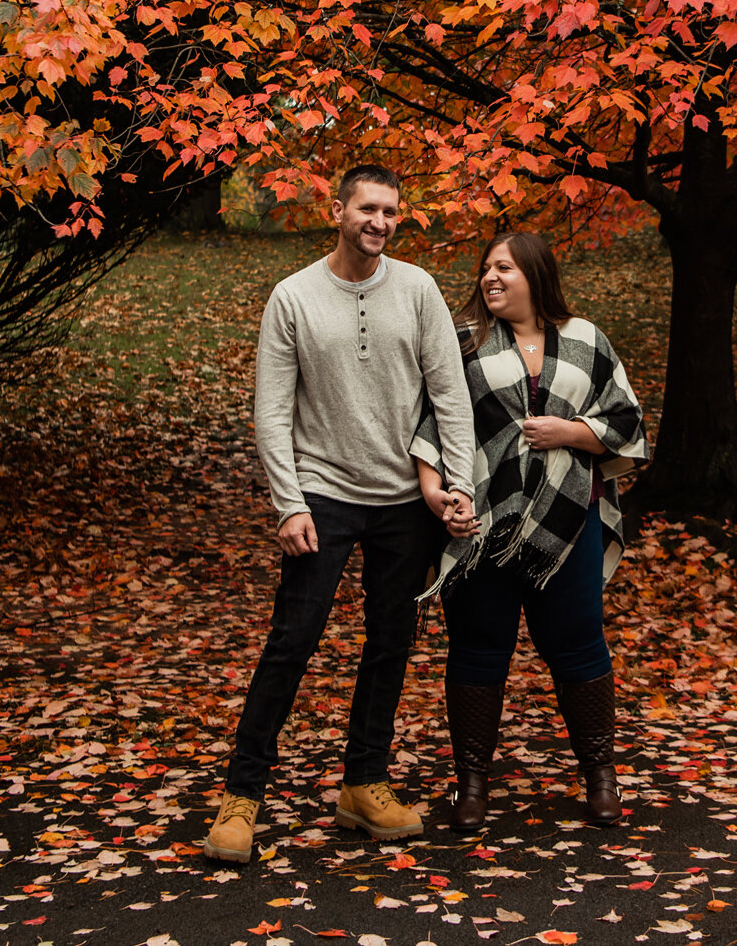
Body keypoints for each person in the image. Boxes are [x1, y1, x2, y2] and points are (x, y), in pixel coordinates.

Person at [203, 165, 479, 864]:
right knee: (292, 639)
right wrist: (288, 501)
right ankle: (242, 797)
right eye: (367, 208)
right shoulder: (293, 296)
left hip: (400, 502)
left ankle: (364, 783)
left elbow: (450, 396)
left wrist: (461, 485)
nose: (379, 222)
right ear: (338, 210)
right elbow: (271, 410)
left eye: (390, 211)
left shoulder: (418, 289)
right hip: (321, 494)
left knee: (390, 642)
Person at [412, 231, 650, 831]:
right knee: (477, 647)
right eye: (487, 269)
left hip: (570, 521)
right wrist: (436, 492)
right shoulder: (463, 341)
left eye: (505, 269)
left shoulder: (586, 339)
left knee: (578, 644)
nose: (491, 278)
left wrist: (569, 433)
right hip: (482, 523)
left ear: (535, 275)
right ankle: (471, 786)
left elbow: (626, 418)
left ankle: (600, 778)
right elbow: (428, 421)